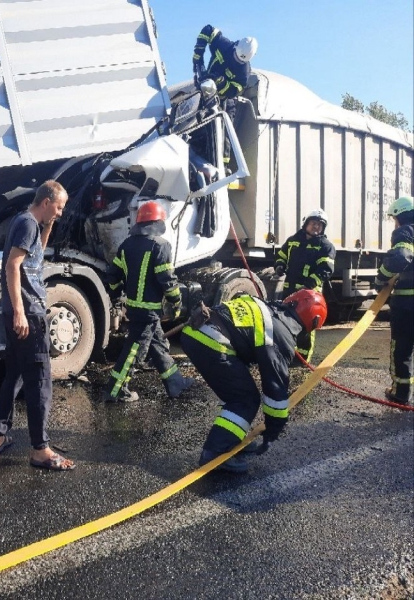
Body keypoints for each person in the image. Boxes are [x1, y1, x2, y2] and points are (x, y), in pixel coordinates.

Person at [180, 289, 328, 472]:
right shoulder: (280, 334)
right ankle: (215, 453)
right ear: (312, 323)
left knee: (237, 391)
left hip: (197, 332)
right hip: (210, 340)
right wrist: (272, 432)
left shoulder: (267, 309)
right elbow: (275, 390)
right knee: (244, 399)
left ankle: (231, 438)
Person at [0, 180, 75, 471]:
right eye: (59, 207)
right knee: (40, 379)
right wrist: (20, 312)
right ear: (47, 201)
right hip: (28, 313)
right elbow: (13, 265)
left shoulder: (28, 223)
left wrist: (48, 226)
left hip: (21, 311)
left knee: (14, 374)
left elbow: (34, 257)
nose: (61, 213)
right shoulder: (27, 223)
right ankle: (40, 449)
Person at [101, 201, 194, 402]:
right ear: (158, 222)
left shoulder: (127, 245)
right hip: (149, 312)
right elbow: (167, 280)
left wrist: (117, 296)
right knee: (134, 351)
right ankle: (116, 390)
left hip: (134, 309)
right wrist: (176, 302)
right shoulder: (160, 246)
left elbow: (113, 276)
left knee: (158, 345)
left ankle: (175, 383)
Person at [274, 209, 335, 362]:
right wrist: (280, 265)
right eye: (314, 223)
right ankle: (287, 354)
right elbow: (282, 255)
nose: (316, 227)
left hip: (310, 295)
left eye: (320, 225)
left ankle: (302, 360)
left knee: (307, 326)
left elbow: (326, 270)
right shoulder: (293, 240)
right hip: (290, 290)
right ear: (306, 223)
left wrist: (308, 285)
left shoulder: (325, 246)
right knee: (284, 322)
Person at [192, 25, 257, 165]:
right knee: (196, 125)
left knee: (223, 132)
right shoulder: (224, 45)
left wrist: (221, 84)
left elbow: (234, 90)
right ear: (236, 46)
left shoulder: (243, 72)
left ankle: (222, 166)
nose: (236, 61)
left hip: (225, 101)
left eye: (241, 61)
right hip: (205, 92)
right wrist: (198, 53)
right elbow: (208, 30)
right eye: (236, 57)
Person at [374, 196, 414, 405]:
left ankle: (400, 394)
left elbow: (401, 257)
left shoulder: (405, 231)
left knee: (402, 348)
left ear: (400, 215)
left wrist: (381, 277)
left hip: (408, 306)